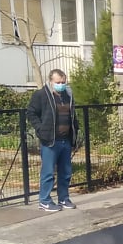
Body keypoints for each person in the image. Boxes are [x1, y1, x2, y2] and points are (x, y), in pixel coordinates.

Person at [26, 68, 80, 212]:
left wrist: (75, 131)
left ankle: (63, 198)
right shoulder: (41, 95)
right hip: (50, 140)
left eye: (63, 82)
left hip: (65, 140)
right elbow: (31, 113)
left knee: (66, 172)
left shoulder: (67, 95)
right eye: (58, 82)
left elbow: (72, 115)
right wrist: (40, 129)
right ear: (51, 81)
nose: (61, 85)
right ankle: (44, 200)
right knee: (48, 173)